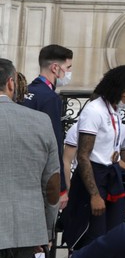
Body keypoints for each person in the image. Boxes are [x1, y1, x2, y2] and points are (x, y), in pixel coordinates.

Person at [63, 65, 125, 258]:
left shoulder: (113, 110)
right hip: (94, 181)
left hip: (111, 175)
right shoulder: (94, 110)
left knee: (113, 242)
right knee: (93, 243)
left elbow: (106, 149)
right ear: (120, 89)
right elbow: (84, 156)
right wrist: (95, 195)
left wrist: (115, 156)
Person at [0, 58, 61, 258]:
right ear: (11, 83)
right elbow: (52, 184)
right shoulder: (40, 121)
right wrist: (45, 230)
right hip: (25, 231)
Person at [24, 44, 72, 200]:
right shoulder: (50, 98)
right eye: (68, 67)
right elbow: (55, 142)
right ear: (55, 68)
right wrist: (61, 188)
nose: (69, 73)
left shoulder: (24, 91)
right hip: (40, 172)